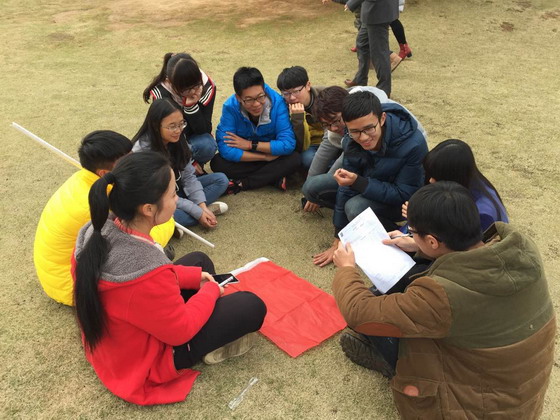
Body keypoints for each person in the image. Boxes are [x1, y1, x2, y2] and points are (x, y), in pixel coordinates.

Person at [332, 181, 555, 419]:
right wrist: (418, 246)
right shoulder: (521, 251)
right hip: (521, 393)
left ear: (432, 241)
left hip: (477, 409)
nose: (410, 235)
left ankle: (391, 364)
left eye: (412, 232)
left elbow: (359, 312)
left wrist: (347, 269)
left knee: (383, 313)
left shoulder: (441, 296)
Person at [72, 151, 267, 406]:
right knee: (252, 306)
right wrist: (210, 291)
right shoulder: (145, 272)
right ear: (148, 209)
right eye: (173, 194)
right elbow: (179, 331)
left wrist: (194, 278)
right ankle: (206, 346)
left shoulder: (98, 231)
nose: (177, 200)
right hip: (146, 359)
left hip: (118, 340)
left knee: (199, 262)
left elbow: (151, 278)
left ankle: (205, 310)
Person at [33, 131, 174, 306]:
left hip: (57, 273)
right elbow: (136, 243)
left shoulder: (85, 180)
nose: (133, 164)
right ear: (103, 172)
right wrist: (167, 219)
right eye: (126, 162)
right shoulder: (97, 204)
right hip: (72, 284)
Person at [303, 90, 427, 266]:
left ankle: (398, 236)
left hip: (401, 202)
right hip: (367, 183)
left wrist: (359, 183)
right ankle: (358, 222)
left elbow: (405, 194)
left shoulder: (413, 144)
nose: (363, 138)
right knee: (312, 187)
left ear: (382, 119)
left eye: (369, 128)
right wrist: (339, 237)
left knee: (355, 208)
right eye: (355, 131)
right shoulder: (350, 139)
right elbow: (345, 187)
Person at [132, 99, 229, 229]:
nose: (178, 130)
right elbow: (161, 195)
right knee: (170, 216)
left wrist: (201, 206)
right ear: (156, 126)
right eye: (172, 126)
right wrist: (197, 212)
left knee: (221, 180)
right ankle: (191, 217)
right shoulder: (142, 151)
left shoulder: (178, 139)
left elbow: (189, 177)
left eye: (181, 124)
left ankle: (199, 213)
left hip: (178, 192)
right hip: (157, 200)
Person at [210, 67, 300, 191]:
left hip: (271, 152)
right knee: (217, 163)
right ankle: (273, 177)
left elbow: (288, 144)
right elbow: (225, 148)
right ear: (238, 97)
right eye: (249, 100)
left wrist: (250, 144)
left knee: (294, 159)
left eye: (260, 97)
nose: (256, 104)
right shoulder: (230, 107)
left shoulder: (278, 103)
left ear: (264, 91)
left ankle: (243, 184)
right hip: (255, 157)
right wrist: (264, 157)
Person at [143, 53, 217, 171]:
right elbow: (165, 134)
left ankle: (190, 168)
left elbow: (204, 129)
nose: (193, 92)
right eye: (186, 89)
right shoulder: (162, 92)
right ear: (170, 82)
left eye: (196, 86)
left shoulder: (206, 86)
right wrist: (189, 161)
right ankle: (182, 168)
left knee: (207, 144)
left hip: (192, 140)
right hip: (169, 143)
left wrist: (190, 106)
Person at [421, 139, 509, 231]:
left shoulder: (481, 215)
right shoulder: (474, 183)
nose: (431, 180)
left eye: (437, 176)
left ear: (452, 175)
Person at [344, 0, 399, 96]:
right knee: (362, 43)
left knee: (379, 53)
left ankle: (384, 89)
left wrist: (351, 3)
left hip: (377, 12)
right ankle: (360, 80)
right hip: (373, 11)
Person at [276, 66, 325, 170]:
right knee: (307, 159)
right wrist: (298, 119)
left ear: (308, 85)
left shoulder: (325, 95)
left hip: (331, 139)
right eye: (286, 93)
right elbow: (300, 147)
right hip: (310, 145)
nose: (292, 98)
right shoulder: (282, 107)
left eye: (296, 91)